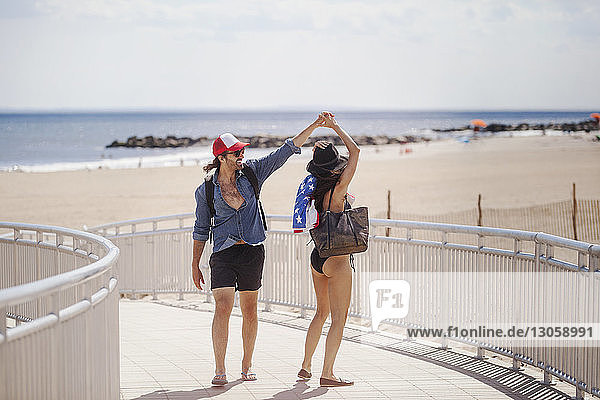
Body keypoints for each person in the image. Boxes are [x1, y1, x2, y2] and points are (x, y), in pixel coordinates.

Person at [191, 114, 326, 386]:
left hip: (252, 250)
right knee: (223, 306)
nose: (242, 154)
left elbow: (285, 151)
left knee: (250, 309)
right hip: (224, 253)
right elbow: (201, 228)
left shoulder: (252, 172)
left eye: (242, 150)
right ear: (222, 157)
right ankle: (220, 368)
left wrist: (315, 125)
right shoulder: (205, 190)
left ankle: (246, 364)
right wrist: (194, 264)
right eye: (236, 152)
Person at [297, 112, 360, 387]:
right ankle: (328, 373)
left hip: (317, 257)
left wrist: (320, 150)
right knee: (338, 319)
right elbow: (356, 151)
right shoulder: (338, 190)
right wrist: (335, 127)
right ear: (335, 167)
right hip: (337, 260)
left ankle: (305, 366)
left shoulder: (313, 188)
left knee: (320, 313)